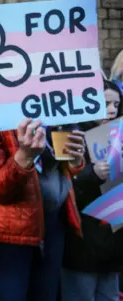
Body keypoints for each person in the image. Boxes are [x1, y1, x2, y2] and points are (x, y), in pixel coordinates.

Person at [0, 118, 86, 301]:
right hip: (8, 232)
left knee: (46, 294)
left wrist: (75, 161)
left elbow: (62, 168)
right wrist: (25, 156)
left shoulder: (54, 109)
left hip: (53, 223)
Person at [61, 80, 123, 301]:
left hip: (113, 241)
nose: (112, 110)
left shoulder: (118, 136)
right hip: (82, 240)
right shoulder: (70, 136)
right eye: (105, 103)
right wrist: (91, 175)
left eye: (116, 104)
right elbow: (64, 190)